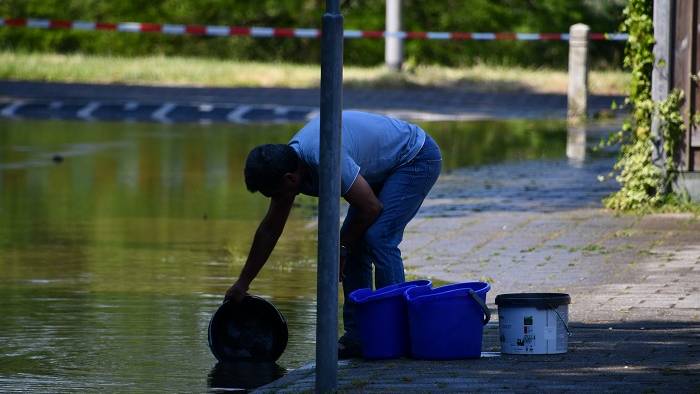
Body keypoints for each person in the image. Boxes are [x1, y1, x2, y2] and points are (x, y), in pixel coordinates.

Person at [225, 110, 441, 358]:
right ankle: (358, 336)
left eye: (274, 194)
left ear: (290, 179)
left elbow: (371, 208)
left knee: (378, 238)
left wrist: (342, 247)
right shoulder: (287, 166)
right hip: (380, 166)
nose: (276, 201)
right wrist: (243, 282)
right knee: (354, 243)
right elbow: (269, 230)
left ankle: (397, 333)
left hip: (414, 157)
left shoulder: (324, 158)